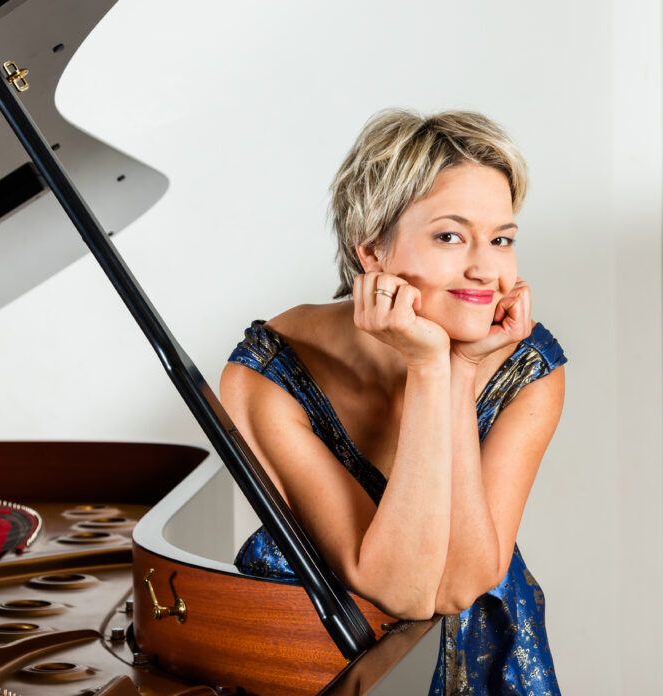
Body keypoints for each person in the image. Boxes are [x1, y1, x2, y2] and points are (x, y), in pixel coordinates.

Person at [220, 109, 566, 696]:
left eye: (501, 240)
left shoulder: (526, 366)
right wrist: (430, 366)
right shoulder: (269, 372)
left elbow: (457, 590)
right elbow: (400, 589)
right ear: (372, 252)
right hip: (313, 654)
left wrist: (456, 371)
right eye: (450, 236)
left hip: (483, 659)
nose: (486, 269)